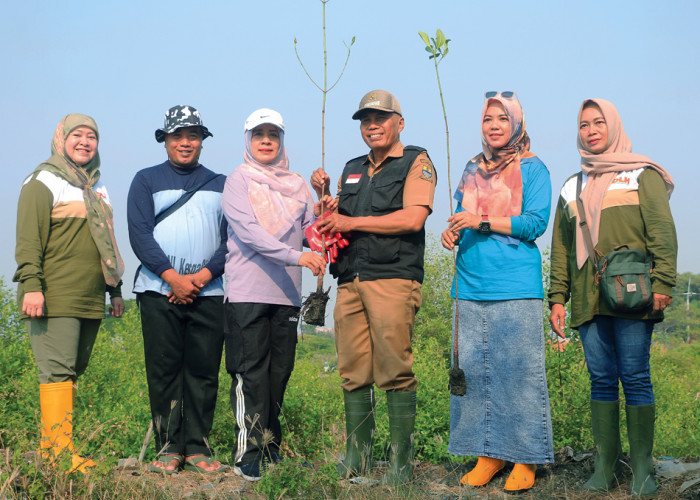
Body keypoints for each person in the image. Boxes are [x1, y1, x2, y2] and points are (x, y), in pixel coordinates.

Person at [548, 98, 676, 497]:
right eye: (584, 124)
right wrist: (557, 297)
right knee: (601, 379)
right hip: (589, 299)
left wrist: (664, 284)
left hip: (634, 296)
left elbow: (661, 231)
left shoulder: (641, 174)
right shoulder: (573, 185)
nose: (591, 130)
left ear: (613, 125)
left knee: (636, 377)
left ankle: (642, 470)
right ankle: (605, 466)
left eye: (598, 122)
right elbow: (562, 249)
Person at [311, 90, 437, 485]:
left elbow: (414, 219)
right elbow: (339, 222)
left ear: (399, 122)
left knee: (394, 370)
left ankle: (400, 466)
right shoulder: (351, 168)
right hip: (350, 280)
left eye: (381, 118)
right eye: (366, 119)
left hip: (393, 278)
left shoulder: (416, 161)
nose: (372, 125)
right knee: (353, 371)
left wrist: (350, 223)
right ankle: (358, 457)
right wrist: (325, 203)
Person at [441, 92, 554, 492]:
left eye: (502, 119)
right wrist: (452, 231)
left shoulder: (533, 168)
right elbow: (461, 215)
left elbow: (534, 224)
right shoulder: (473, 167)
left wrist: (481, 220)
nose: (493, 125)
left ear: (517, 124)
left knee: (519, 375)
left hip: (516, 284)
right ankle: (488, 453)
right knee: (476, 374)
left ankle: (526, 458)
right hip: (470, 283)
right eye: (488, 118)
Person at [14, 113, 124, 473]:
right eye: (77, 134)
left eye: (91, 136)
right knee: (57, 370)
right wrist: (32, 286)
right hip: (54, 295)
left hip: (90, 297)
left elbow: (106, 241)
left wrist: (115, 290)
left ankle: (56, 448)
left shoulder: (97, 187)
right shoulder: (42, 180)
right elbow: (29, 240)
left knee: (72, 370)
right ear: (60, 138)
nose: (85, 142)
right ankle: (59, 455)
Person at [222, 108, 327, 481]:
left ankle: (270, 448)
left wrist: (322, 212)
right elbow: (249, 233)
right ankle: (247, 454)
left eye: (273, 134)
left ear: (281, 140)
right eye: (258, 134)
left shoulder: (297, 184)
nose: (266, 141)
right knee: (249, 372)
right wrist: (299, 255)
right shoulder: (239, 180)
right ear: (247, 141)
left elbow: (308, 234)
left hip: (286, 293)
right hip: (247, 291)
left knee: (278, 372)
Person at [127, 105, 227, 474]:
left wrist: (199, 279)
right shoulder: (145, 180)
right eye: (177, 136)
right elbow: (139, 233)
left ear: (202, 141)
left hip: (209, 292)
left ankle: (198, 447)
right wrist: (173, 278)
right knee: (164, 369)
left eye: (193, 136)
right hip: (157, 289)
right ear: (165, 140)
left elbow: (233, 240)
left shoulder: (221, 183)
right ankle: (168, 447)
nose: (185, 143)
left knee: (203, 371)